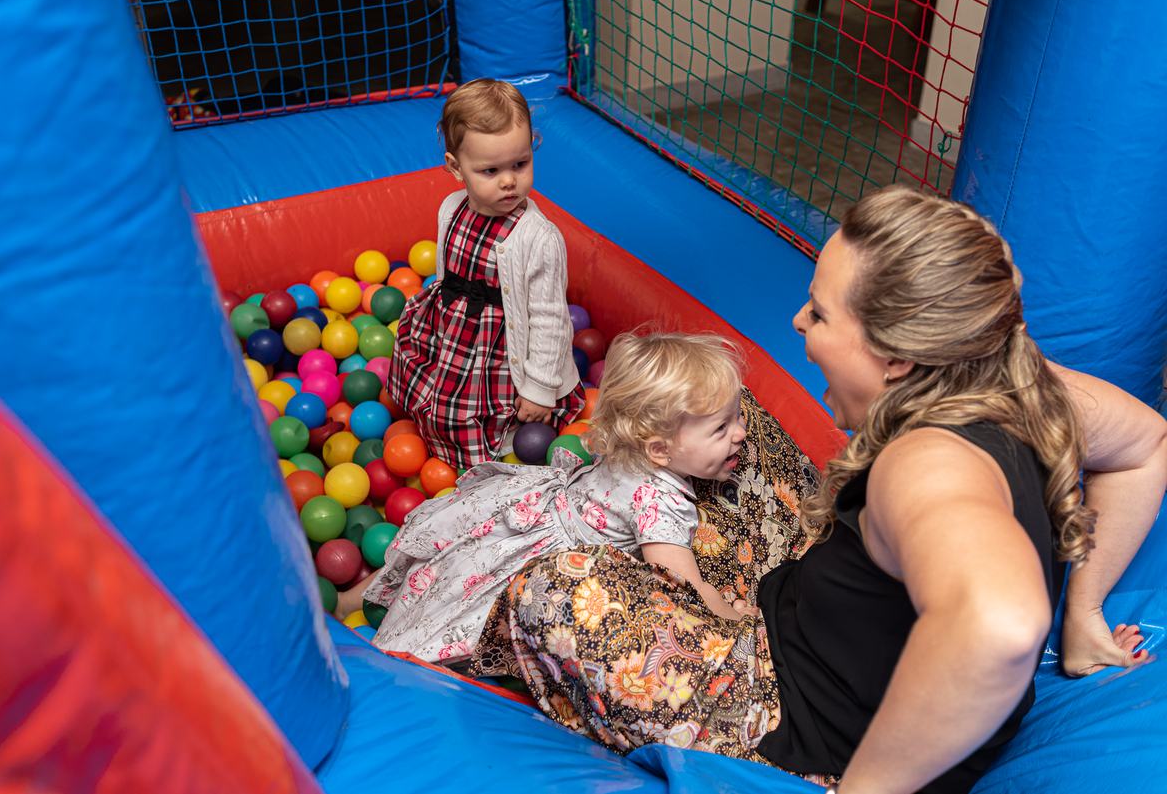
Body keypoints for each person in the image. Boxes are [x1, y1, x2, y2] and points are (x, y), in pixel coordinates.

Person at [474, 186, 1167, 793]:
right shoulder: (1016, 378)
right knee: (727, 420)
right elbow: (1146, 443)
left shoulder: (925, 464)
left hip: (796, 722)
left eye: (821, 312)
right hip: (819, 617)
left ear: (897, 358)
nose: (799, 322)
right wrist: (1082, 613)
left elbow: (1001, 622)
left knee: (552, 589)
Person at [342, 332, 754, 667]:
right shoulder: (662, 500)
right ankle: (394, 663)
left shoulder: (630, 448)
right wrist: (736, 619)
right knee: (464, 616)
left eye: (737, 415)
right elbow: (683, 586)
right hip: (542, 566)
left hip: (522, 515)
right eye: (721, 428)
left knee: (443, 567)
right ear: (660, 450)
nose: (740, 432)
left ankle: (350, 602)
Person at [387, 78, 584, 468]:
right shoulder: (452, 208)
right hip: (453, 330)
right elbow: (447, 274)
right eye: (490, 170)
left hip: (501, 348)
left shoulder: (539, 238)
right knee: (428, 380)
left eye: (520, 164)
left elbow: (550, 320)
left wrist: (539, 390)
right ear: (455, 167)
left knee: (469, 410)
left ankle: (492, 450)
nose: (509, 181)